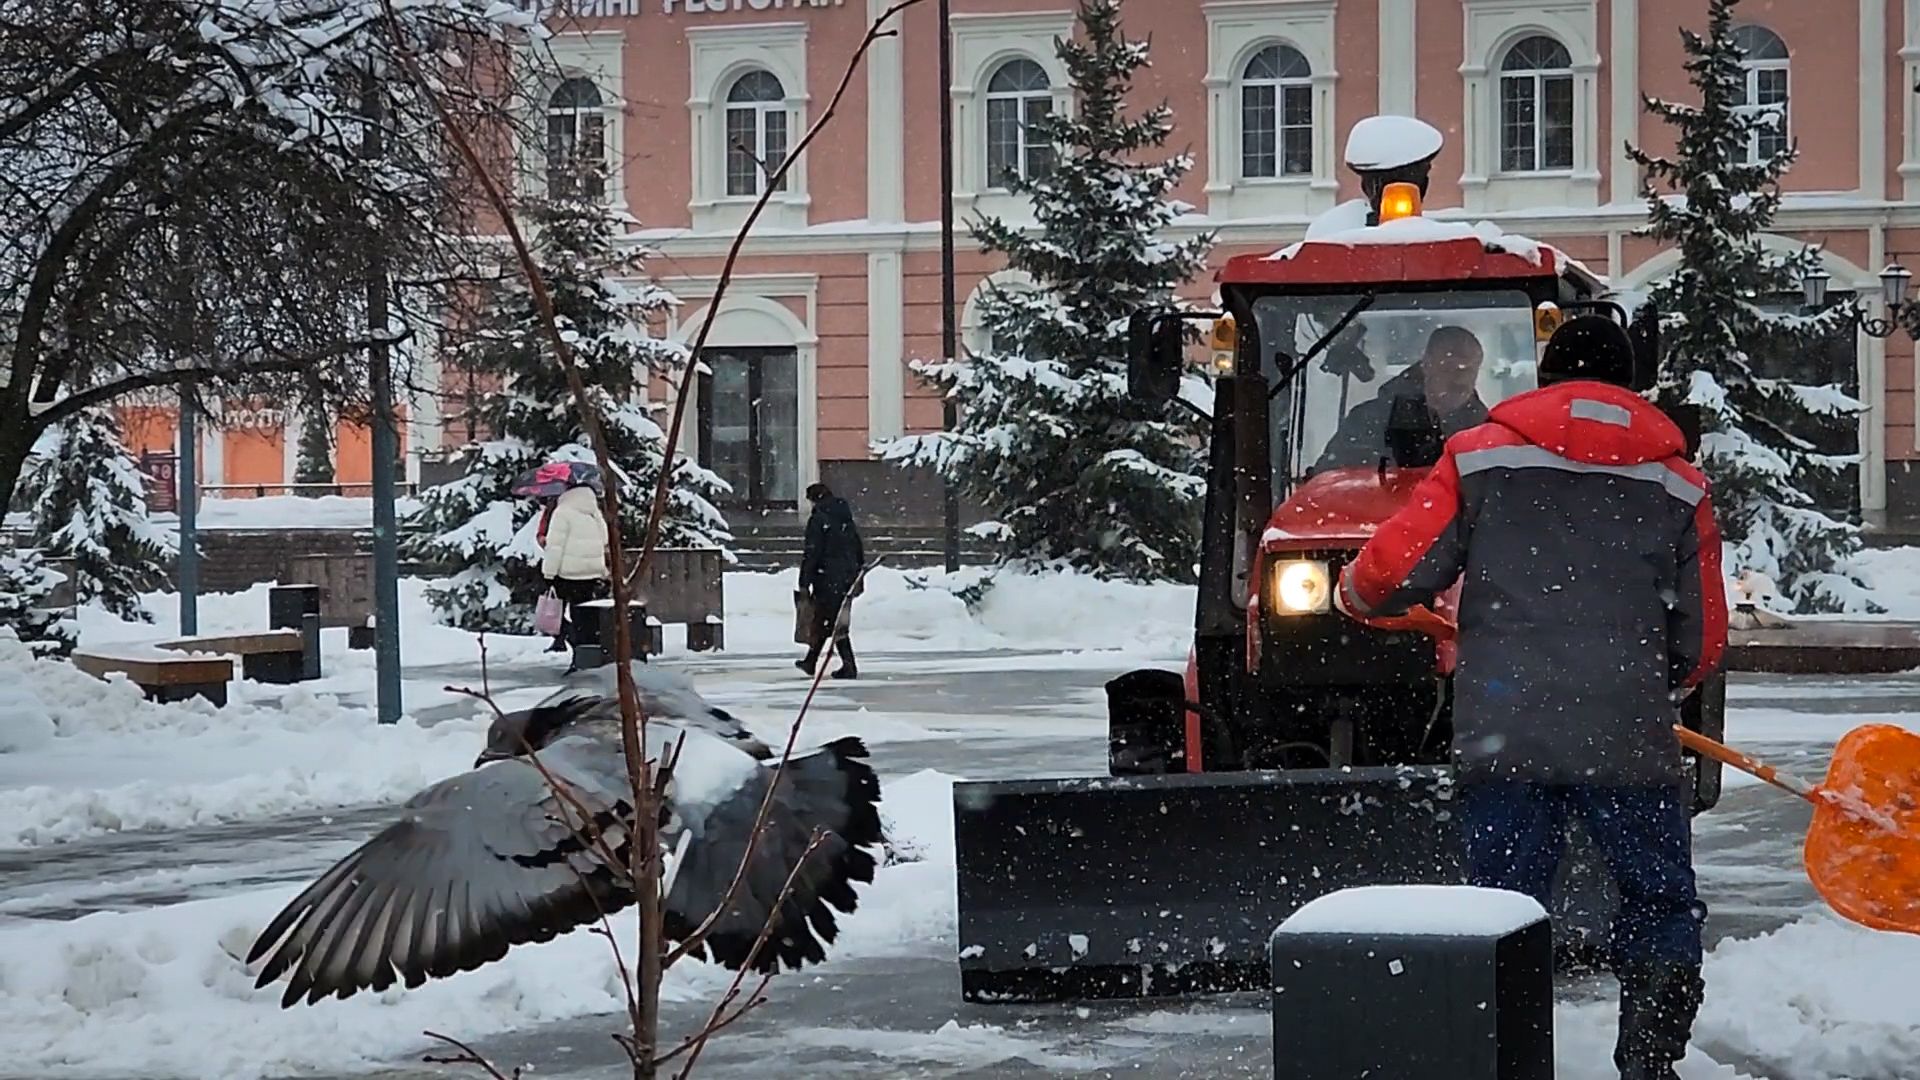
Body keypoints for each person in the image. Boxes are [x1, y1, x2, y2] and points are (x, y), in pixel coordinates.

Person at [1332, 315, 1728, 1080]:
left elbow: (1391, 575)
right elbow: (1702, 641)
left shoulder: (1482, 456)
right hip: (1628, 739)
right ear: (1633, 384)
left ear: (1545, 376)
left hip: (1506, 733)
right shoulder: (1679, 482)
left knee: (1506, 907)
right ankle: (1649, 1059)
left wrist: (1355, 593)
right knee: (1657, 900)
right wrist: (1647, 686)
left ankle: (1502, 1054)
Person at [1314, 325, 1489, 471]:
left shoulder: (1488, 433)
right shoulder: (1369, 421)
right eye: (1451, 366)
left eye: (1470, 369)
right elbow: (1329, 484)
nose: (1461, 379)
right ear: (1426, 364)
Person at [797, 481, 864, 679]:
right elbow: (858, 548)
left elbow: (812, 552)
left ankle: (848, 666)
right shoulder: (845, 518)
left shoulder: (819, 519)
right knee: (828, 621)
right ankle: (811, 660)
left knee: (832, 622)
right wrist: (858, 574)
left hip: (826, 577)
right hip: (846, 578)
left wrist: (804, 581)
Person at [538, 479, 611, 656]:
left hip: (568, 573)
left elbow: (555, 547)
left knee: (553, 611)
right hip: (592, 573)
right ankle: (588, 652)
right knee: (585, 614)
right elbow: (604, 540)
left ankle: (572, 642)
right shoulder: (594, 513)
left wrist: (549, 573)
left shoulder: (563, 512)